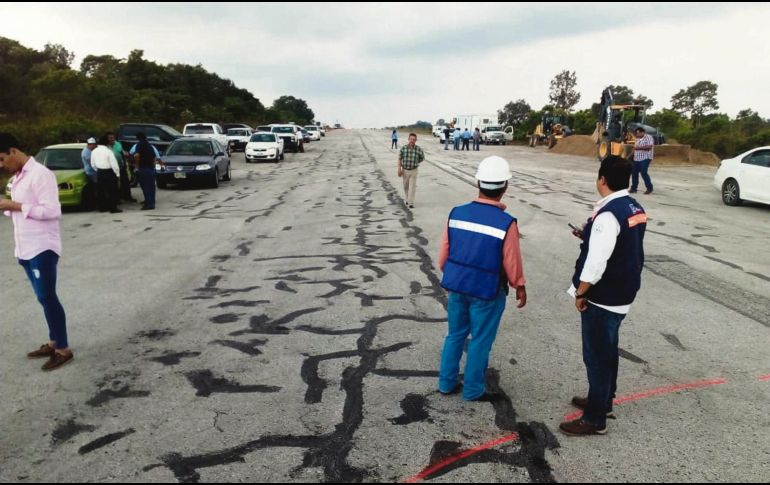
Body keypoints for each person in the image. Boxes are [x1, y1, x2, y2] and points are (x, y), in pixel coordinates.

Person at [560, 155, 647, 437]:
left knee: (596, 356)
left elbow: (596, 263)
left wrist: (581, 292)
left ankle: (595, 419)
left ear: (602, 180)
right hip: (624, 290)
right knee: (608, 350)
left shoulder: (608, 214)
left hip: (605, 295)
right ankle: (604, 399)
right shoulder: (633, 206)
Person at [437, 155, 527, 401]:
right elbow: (512, 261)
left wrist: (456, 275)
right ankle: (473, 390)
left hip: (457, 286)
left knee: (455, 334)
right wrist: (519, 285)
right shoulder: (506, 223)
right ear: (505, 187)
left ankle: (446, 383)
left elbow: (443, 255)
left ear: (478, 182)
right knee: (480, 340)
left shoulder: (456, 213)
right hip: (487, 291)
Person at [0, 133, 74, 371]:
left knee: (47, 297)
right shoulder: (18, 177)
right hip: (24, 248)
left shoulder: (41, 174)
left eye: (2, 159)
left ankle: (63, 349)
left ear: (13, 151)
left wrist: (14, 205)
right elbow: (22, 210)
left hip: (42, 247)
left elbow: (52, 211)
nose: (1, 166)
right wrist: (9, 207)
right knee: (43, 299)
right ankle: (53, 342)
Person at [88, 138, 122, 214]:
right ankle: (113, 208)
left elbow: (92, 163)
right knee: (112, 190)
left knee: (101, 190)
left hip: (100, 172)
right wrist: (117, 174)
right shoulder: (108, 151)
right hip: (109, 172)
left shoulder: (94, 151)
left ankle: (102, 208)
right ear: (107, 144)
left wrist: (98, 170)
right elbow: (114, 164)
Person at [130, 132, 160, 210]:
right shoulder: (149, 145)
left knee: (145, 186)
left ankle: (148, 204)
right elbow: (154, 157)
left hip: (143, 168)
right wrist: (153, 166)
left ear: (137, 138)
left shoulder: (139, 145)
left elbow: (137, 155)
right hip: (150, 168)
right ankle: (151, 202)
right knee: (151, 187)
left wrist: (137, 166)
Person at [106, 132, 136, 203]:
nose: (112, 139)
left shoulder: (118, 144)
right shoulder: (106, 146)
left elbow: (122, 152)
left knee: (125, 182)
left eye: (113, 137)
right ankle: (117, 198)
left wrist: (126, 154)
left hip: (121, 166)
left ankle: (128, 196)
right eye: (110, 137)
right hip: (111, 167)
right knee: (115, 184)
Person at [397, 133, 424, 209]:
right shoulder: (403, 148)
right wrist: (399, 169)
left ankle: (411, 202)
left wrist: (415, 162)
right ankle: (407, 198)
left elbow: (422, 158)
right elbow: (399, 159)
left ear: (416, 140)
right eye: (411, 139)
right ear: (408, 139)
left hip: (414, 170)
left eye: (414, 139)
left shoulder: (418, 149)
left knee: (412, 187)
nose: (412, 140)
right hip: (405, 170)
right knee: (406, 186)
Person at [630, 127, 654, 195]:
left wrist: (638, 148)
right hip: (636, 158)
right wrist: (630, 156)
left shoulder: (648, 137)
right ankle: (634, 188)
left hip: (645, 158)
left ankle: (649, 188)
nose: (636, 135)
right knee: (634, 173)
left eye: (638, 133)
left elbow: (649, 147)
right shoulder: (637, 139)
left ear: (642, 132)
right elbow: (635, 148)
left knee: (643, 172)